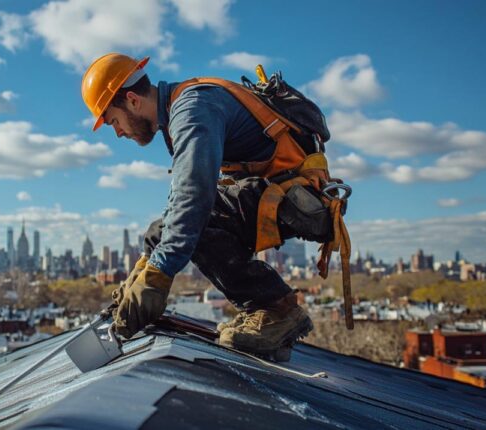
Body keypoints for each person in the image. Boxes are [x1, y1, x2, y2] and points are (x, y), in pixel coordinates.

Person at [81, 53, 324, 357]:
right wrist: (141, 276)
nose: (117, 132)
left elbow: (192, 199)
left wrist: (158, 276)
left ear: (132, 101)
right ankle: (123, 311)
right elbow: (176, 205)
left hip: (294, 196)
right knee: (162, 231)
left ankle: (277, 311)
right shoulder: (179, 110)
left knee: (195, 222)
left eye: (113, 120)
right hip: (268, 189)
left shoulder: (191, 110)